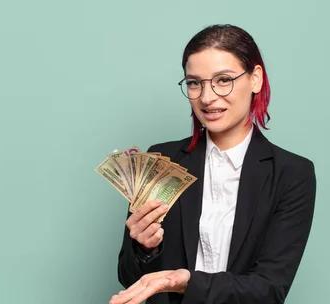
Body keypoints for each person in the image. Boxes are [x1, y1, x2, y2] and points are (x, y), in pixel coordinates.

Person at [109, 24, 317, 304]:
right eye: (195, 82)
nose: (207, 97)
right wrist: (143, 247)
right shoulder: (163, 160)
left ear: (255, 79)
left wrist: (185, 282)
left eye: (223, 79)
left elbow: (270, 290)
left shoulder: (291, 174)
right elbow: (129, 277)